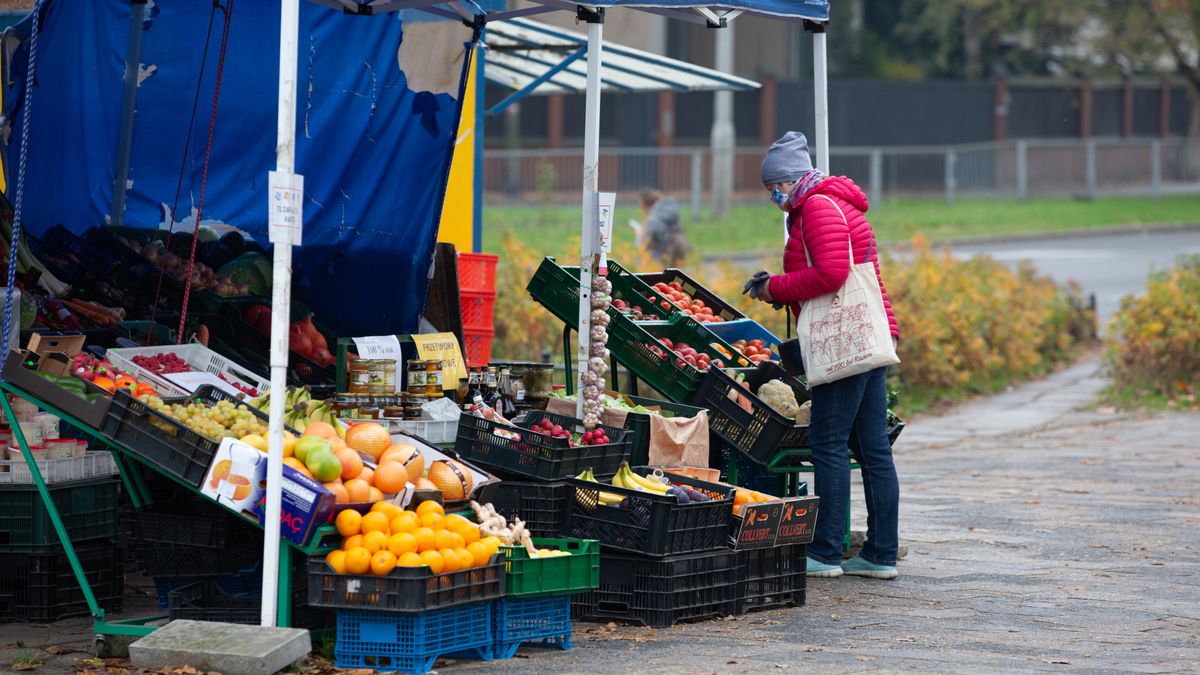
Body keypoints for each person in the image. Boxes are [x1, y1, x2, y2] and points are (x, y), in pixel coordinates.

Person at [750, 131, 902, 580]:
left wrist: (775, 287)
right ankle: (880, 554)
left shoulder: (815, 206)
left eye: (771, 188)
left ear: (786, 181)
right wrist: (784, 288)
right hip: (867, 336)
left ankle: (825, 551)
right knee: (871, 447)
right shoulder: (833, 201)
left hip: (844, 344)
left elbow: (832, 274)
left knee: (829, 442)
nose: (772, 198)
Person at [634, 190, 690, 266]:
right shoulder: (669, 212)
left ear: (645, 205)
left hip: (659, 258)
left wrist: (639, 233)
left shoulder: (653, 219)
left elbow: (641, 244)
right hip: (676, 251)